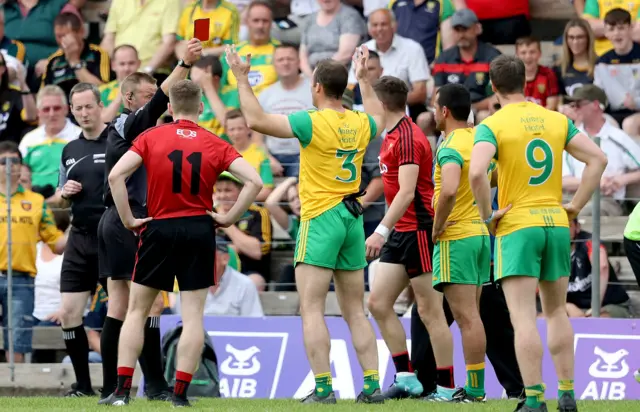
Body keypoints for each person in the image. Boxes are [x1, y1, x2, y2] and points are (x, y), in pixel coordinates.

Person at [226, 43, 386, 403]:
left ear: (316, 87)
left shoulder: (310, 120)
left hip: (321, 217)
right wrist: (363, 80)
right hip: (352, 217)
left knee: (312, 308)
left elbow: (255, 120)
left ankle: (325, 388)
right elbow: (379, 117)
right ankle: (373, 387)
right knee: (355, 311)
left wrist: (239, 76)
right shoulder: (359, 122)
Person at [104, 79, 262, 406]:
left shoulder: (151, 136)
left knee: (136, 311)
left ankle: (121, 392)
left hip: (159, 227)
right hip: (199, 229)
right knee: (193, 317)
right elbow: (255, 182)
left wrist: (128, 219)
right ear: (201, 108)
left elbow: (115, 176)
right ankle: (179, 396)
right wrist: (229, 217)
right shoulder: (215, 143)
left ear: (170, 108)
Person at [469, 54, 608, 412]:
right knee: (558, 311)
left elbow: (476, 173)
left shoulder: (492, 124)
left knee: (523, 317)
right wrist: (575, 205)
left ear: (493, 85)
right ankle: (566, 393)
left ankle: (533, 399)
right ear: (526, 82)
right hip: (556, 222)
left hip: (518, 224)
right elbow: (598, 160)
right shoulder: (556, 119)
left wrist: (488, 216)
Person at [96, 38, 203, 403]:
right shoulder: (130, 124)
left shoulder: (130, 130)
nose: (153, 102)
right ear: (130, 99)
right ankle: (153, 385)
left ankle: (114, 387)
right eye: (147, 96)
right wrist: (184, 65)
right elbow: (160, 101)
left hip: (115, 218)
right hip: (130, 219)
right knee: (149, 304)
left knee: (120, 305)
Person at [364, 76, 455, 400]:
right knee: (378, 303)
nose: (366, 107)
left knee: (431, 313)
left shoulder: (405, 137)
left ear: (383, 104)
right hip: (401, 232)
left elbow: (406, 193)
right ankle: (407, 375)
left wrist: (379, 231)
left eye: (370, 101)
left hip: (416, 231)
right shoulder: (390, 130)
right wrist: (362, 76)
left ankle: (445, 388)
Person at [431, 83, 502, 402]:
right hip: (479, 233)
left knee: (466, 317)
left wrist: (437, 226)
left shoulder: (450, 146)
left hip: (456, 234)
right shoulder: (479, 139)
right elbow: (497, 174)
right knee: (473, 314)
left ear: (444, 111)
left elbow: (447, 190)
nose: (433, 112)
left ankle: (475, 390)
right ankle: (475, 387)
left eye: (435, 106)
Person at [49, 83, 108, 397]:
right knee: (70, 313)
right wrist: (64, 194)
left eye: (89, 106)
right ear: (72, 110)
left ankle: (115, 384)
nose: (84, 113)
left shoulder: (118, 141)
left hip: (113, 239)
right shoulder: (69, 149)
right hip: (79, 238)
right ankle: (83, 386)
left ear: (100, 106)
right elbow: (59, 201)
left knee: (121, 313)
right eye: (78, 108)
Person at [0, 141, 66, 364]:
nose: (9, 166)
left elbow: (56, 242)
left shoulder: (36, 201)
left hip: (21, 280)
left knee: (17, 339)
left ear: (21, 166)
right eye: (3, 161)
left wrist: (82, 223)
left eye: (14, 161)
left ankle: (14, 391)